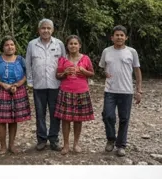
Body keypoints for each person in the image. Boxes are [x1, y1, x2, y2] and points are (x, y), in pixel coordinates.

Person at [100, 25, 142, 158]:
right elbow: (103, 67)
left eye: (121, 35)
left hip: (126, 91)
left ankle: (121, 145)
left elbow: (137, 71)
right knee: (108, 115)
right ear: (112, 38)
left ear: (126, 37)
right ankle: (111, 139)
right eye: (116, 35)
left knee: (124, 119)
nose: (119, 37)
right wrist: (105, 73)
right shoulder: (106, 51)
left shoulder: (132, 52)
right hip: (110, 90)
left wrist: (138, 90)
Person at [0, 37, 31, 155]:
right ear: (3, 47)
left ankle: (12, 145)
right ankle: (3, 147)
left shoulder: (21, 60)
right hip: (0, 91)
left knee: (13, 119)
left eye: (12, 45)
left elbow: (27, 74)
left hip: (18, 90)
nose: (10, 47)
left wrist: (17, 84)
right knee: (1, 120)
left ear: (15, 47)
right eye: (7, 45)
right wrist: (2, 84)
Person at [25, 19, 65, 151]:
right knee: (40, 113)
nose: (46, 30)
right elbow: (28, 64)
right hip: (38, 85)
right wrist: (30, 82)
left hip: (56, 85)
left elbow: (64, 63)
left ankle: (54, 139)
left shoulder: (59, 44)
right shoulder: (32, 44)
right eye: (43, 28)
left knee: (55, 113)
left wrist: (64, 80)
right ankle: (41, 139)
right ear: (39, 30)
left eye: (48, 28)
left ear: (52, 30)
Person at [54, 35, 96, 154]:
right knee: (65, 119)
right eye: (71, 44)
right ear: (67, 46)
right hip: (65, 91)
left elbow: (92, 74)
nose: (73, 46)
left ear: (80, 46)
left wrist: (84, 71)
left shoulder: (86, 58)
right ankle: (66, 145)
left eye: (75, 44)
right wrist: (64, 73)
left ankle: (76, 144)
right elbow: (57, 76)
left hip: (81, 91)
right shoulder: (63, 59)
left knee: (78, 119)